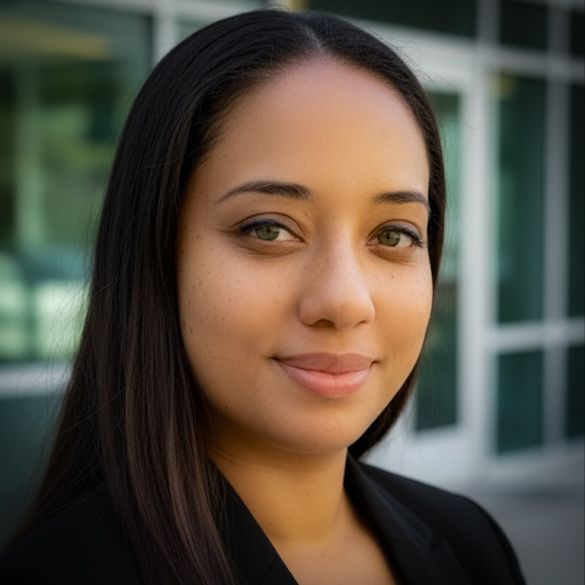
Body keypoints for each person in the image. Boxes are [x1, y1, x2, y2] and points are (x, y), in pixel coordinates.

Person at [0, 9, 526, 585]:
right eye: (269, 229)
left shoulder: (472, 545)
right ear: (155, 251)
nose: (345, 302)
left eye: (393, 234)